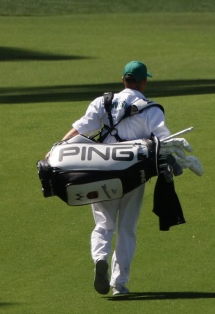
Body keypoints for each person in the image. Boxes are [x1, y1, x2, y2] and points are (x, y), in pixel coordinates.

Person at [61, 60, 169, 299]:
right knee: (126, 229)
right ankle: (119, 284)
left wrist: (57, 147)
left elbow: (81, 128)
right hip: (133, 174)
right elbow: (164, 140)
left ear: (123, 80)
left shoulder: (103, 101)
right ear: (144, 82)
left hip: (101, 171)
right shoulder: (151, 109)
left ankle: (100, 258)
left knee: (103, 224)